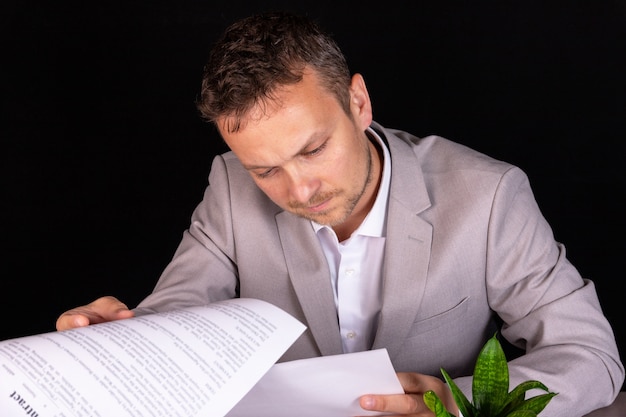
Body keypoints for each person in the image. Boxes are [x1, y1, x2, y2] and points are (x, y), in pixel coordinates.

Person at [56, 11, 624, 417]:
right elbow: (180, 314)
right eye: (266, 170)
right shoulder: (230, 185)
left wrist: (457, 403)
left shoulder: (490, 195)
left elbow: (592, 357)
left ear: (358, 103)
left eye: (312, 149)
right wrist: (121, 340)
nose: (299, 190)